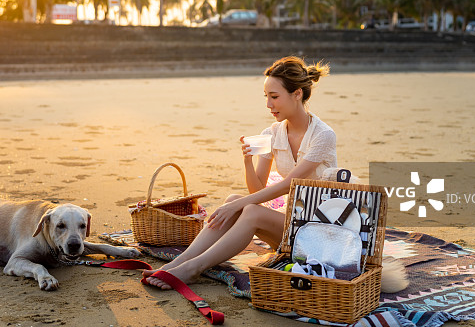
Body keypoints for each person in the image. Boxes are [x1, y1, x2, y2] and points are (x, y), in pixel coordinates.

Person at [142, 56, 337, 289]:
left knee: (246, 209)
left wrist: (238, 206)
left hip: (321, 233)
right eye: (266, 97)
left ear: (297, 94)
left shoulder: (323, 135)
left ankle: (193, 268)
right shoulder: (272, 133)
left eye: (274, 97)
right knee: (235, 200)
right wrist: (248, 161)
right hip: (293, 227)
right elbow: (258, 190)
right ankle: (181, 261)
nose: (268, 104)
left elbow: (289, 185)